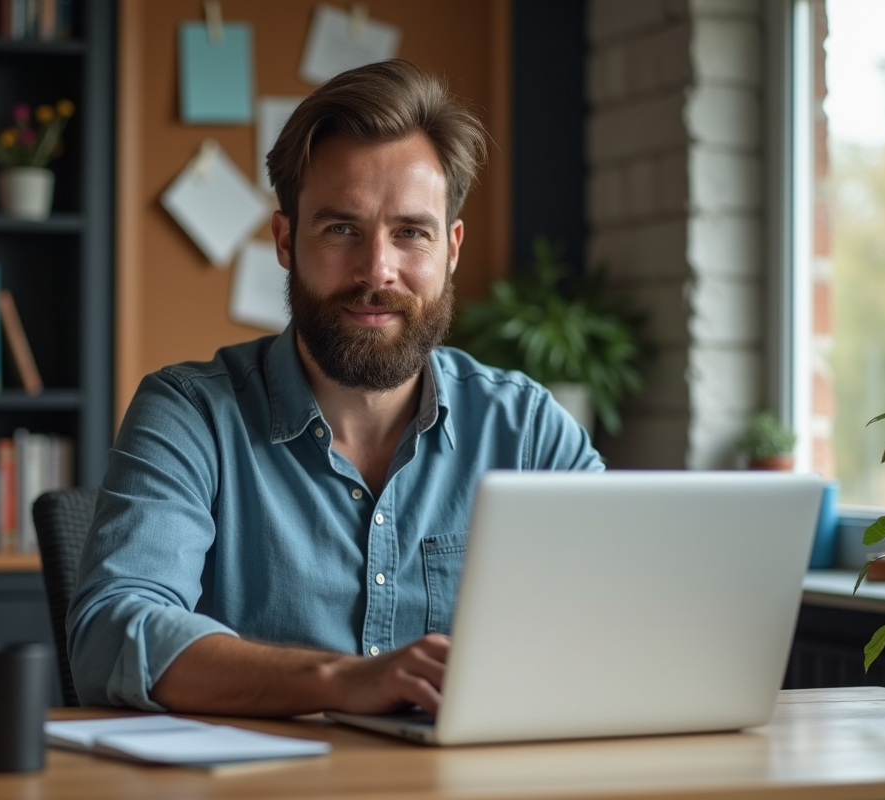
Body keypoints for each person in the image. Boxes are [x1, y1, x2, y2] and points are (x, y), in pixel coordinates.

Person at [68, 59, 603, 718]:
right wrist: (341, 680)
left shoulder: (527, 430)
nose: (377, 271)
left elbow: (625, 614)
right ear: (285, 240)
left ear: (452, 249)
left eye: (411, 233)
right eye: (341, 229)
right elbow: (112, 635)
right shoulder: (190, 415)